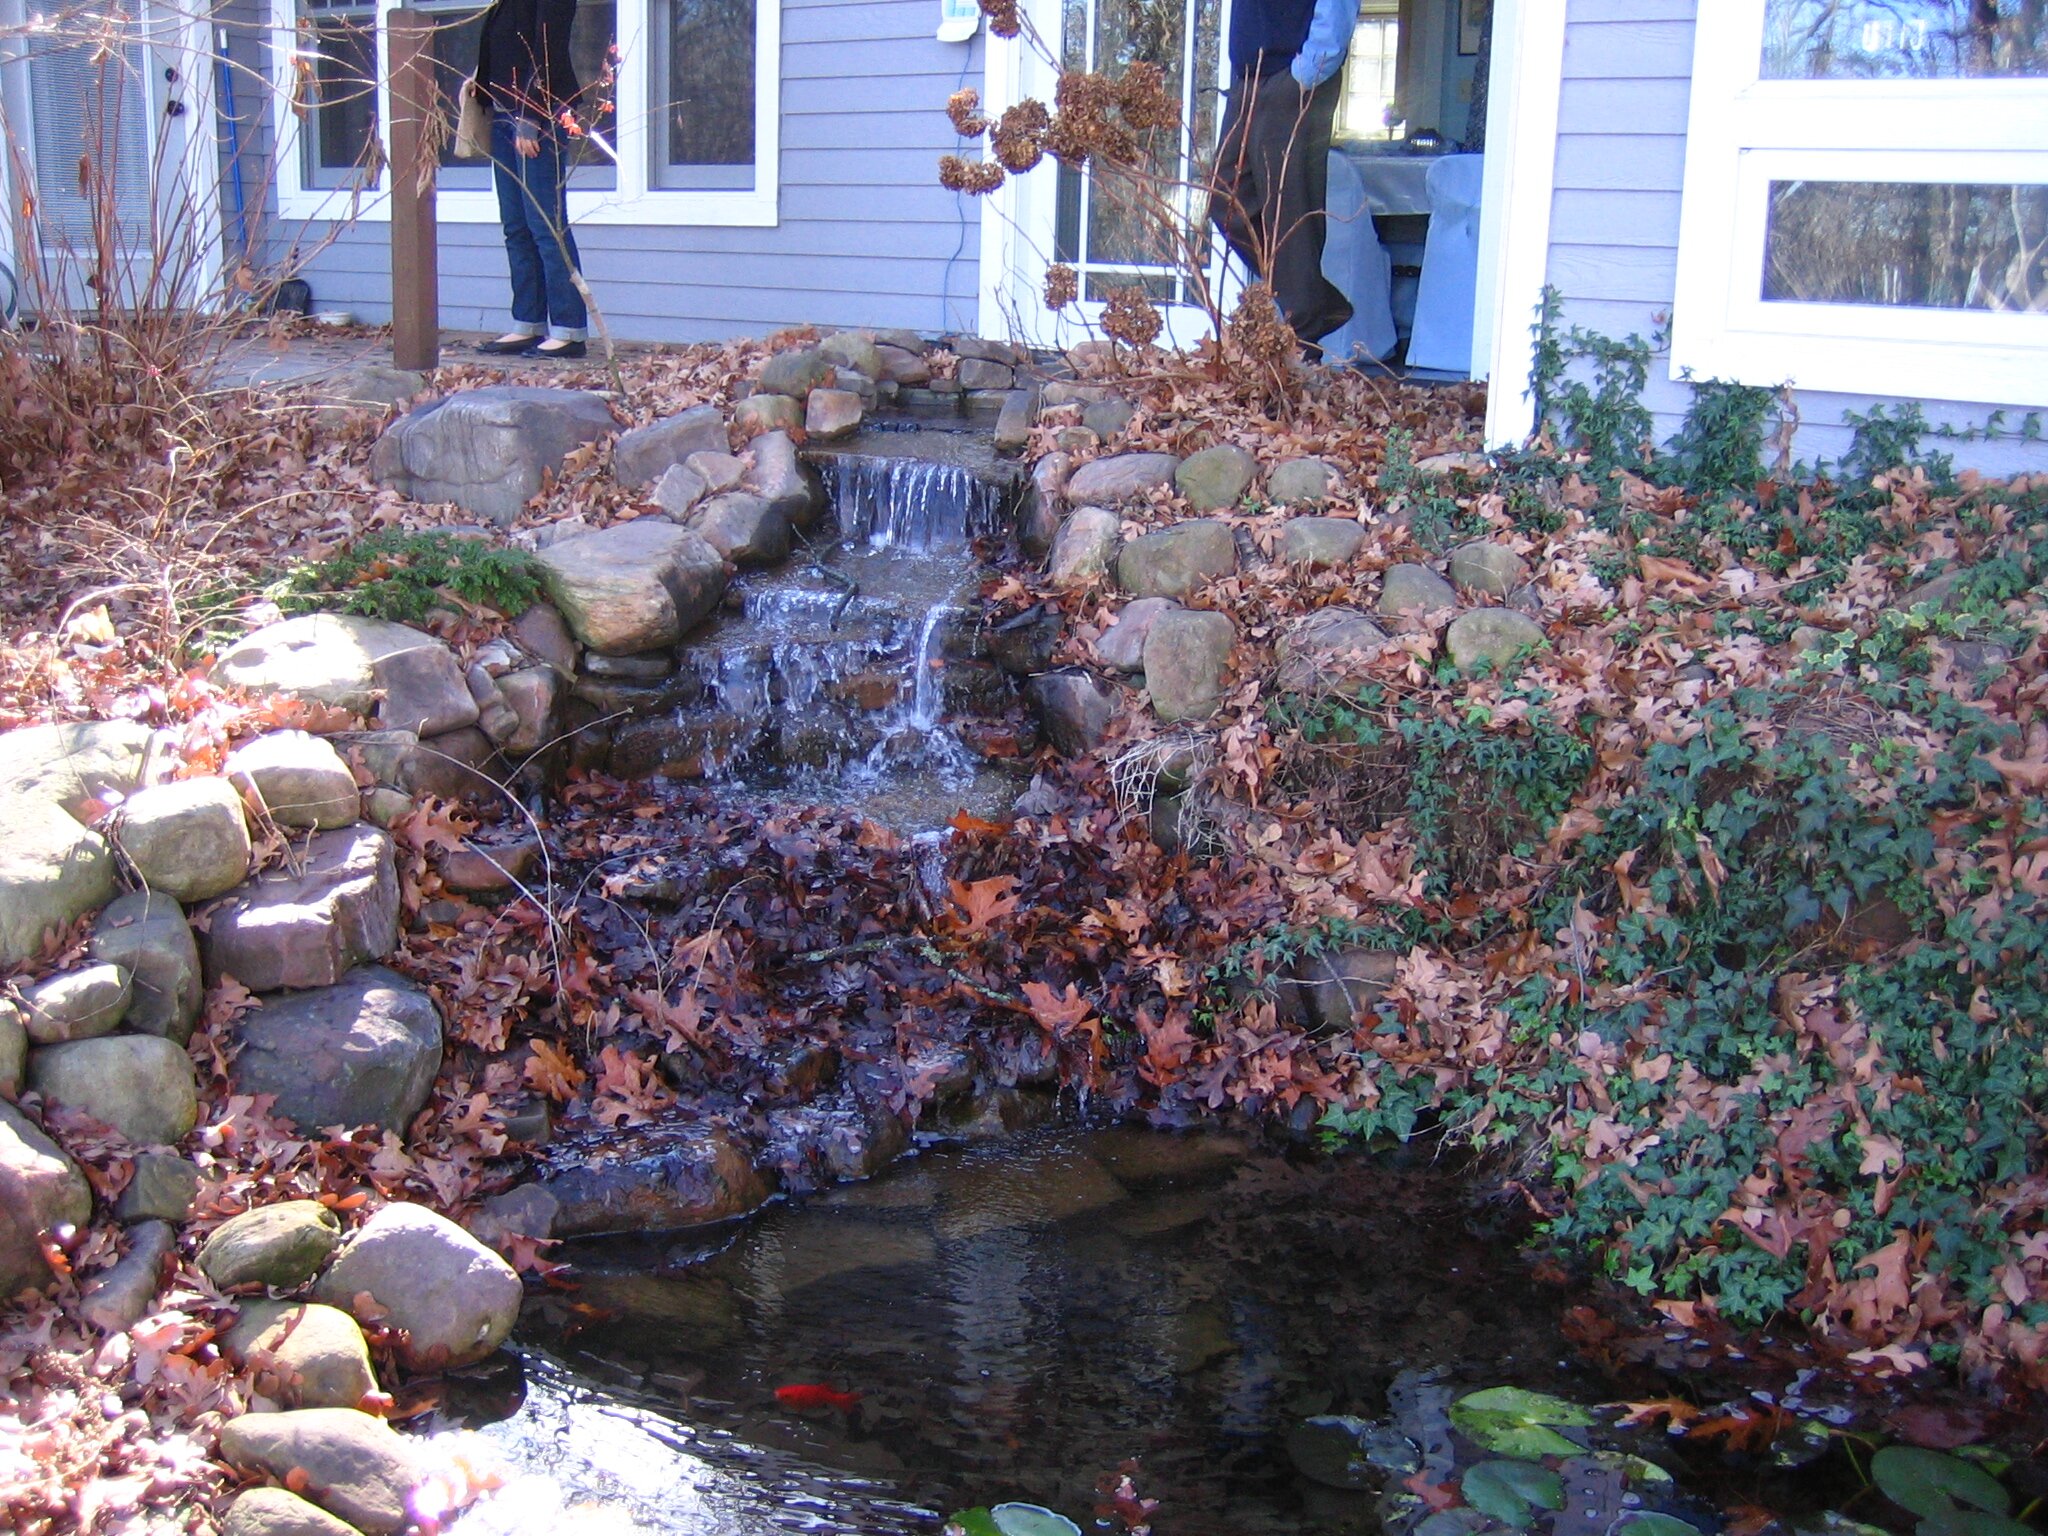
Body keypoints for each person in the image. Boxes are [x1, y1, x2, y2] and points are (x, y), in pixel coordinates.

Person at [1207, 0, 1358, 357]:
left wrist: (1307, 71)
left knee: (1289, 212)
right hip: (1249, 76)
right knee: (1225, 199)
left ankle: (1303, 342)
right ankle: (1315, 303)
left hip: (1292, 76)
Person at [473, 0, 589, 359]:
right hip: (503, 113)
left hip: (537, 117)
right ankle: (528, 323)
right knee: (516, 225)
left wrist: (533, 113)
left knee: (546, 225)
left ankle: (569, 331)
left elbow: (548, 45)